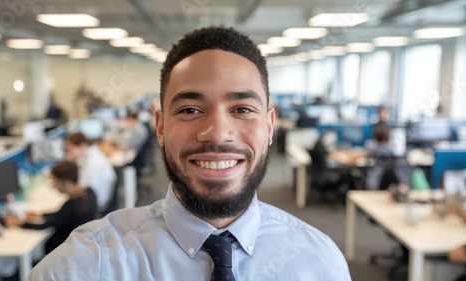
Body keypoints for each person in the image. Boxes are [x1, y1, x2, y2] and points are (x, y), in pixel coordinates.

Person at [27, 26, 351, 280]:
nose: (218, 133)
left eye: (241, 108)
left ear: (269, 127)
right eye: (191, 109)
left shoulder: (322, 264)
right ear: (161, 126)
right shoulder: (83, 267)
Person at [4, 161, 97, 254]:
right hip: (81, 245)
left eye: (55, 182)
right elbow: (61, 215)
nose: (53, 186)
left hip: (65, 250)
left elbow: (45, 225)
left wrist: (19, 223)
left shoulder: (71, 204)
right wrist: (40, 215)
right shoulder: (88, 192)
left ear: (66, 182)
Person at [65, 132, 117, 212]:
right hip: (102, 202)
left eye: (70, 150)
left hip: (97, 207)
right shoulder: (94, 156)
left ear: (82, 146)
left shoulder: (91, 164)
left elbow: (83, 191)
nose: (68, 154)